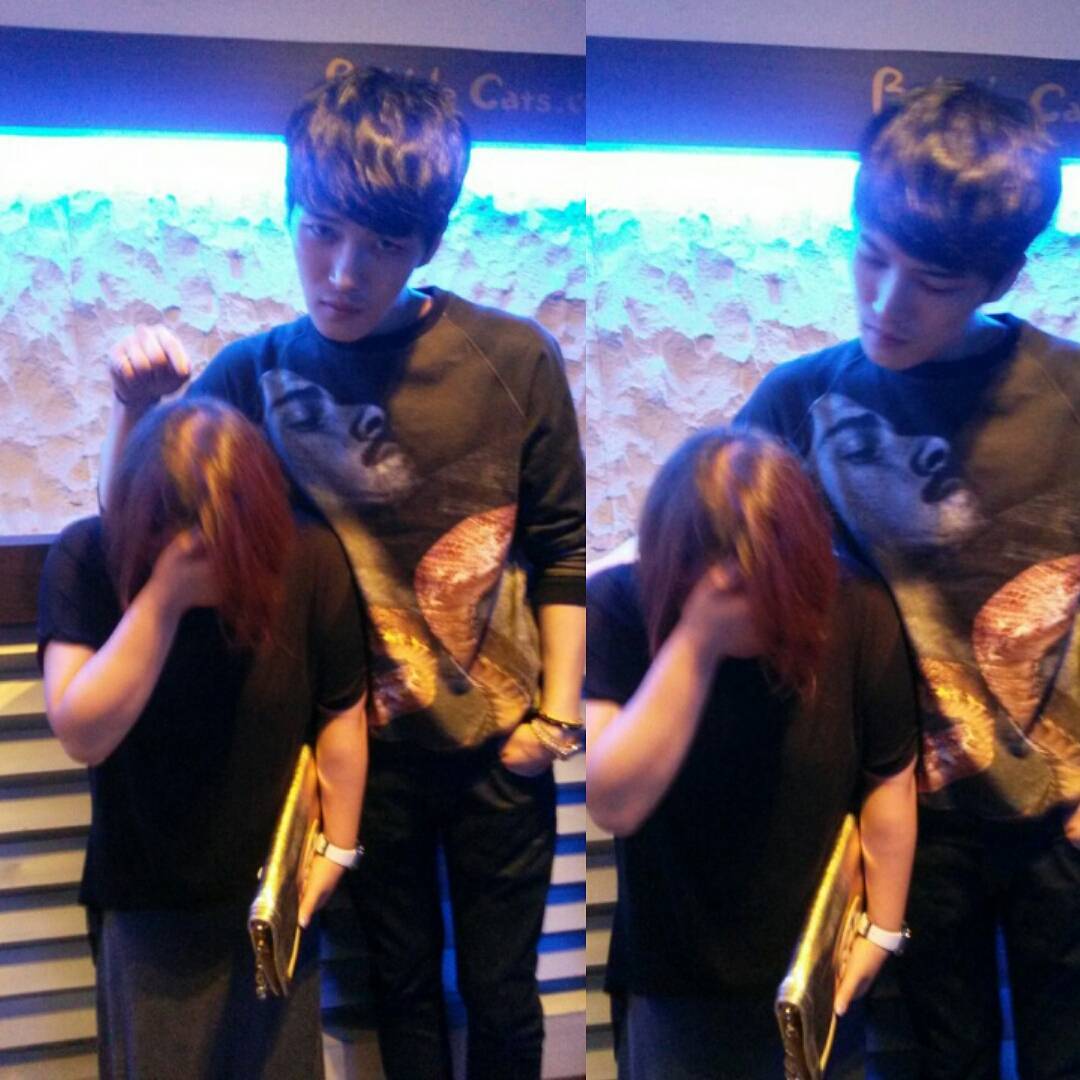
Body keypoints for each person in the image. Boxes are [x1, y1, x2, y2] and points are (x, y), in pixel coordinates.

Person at [98, 66, 586, 1080]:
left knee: (503, 993)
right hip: (358, 754)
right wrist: (137, 413)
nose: (345, 273)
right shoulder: (254, 373)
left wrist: (554, 724)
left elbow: (561, 551)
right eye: (321, 232)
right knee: (397, 988)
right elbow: (135, 537)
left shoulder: (515, 360)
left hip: (500, 749)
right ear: (290, 215)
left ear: (427, 244)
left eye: (384, 246)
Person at [737, 80, 1080, 1078]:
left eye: (929, 280)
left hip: (1063, 819)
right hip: (907, 830)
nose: (886, 302)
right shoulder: (797, 403)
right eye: (871, 257)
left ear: (1001, 276)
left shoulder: (1069, 395)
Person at [38, 399, 368, 1078]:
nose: (207, 549)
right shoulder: (89, 558)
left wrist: (337, 849)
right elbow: (81, 732)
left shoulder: (307, 557)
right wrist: (163, 598)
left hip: (272, 898)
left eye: (230, 532)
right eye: (181, 530)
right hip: (147, 904)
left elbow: (343, 711)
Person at [586, 427, 918, 1079]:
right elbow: (614, 803)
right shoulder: (621, 605)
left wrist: (882, 931)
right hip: (674, 981)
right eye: (724, 583)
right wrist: (696, 641)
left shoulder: (857, 608)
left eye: (768, 584)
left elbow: (891, 780)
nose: (747, 603)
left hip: (814, 973)